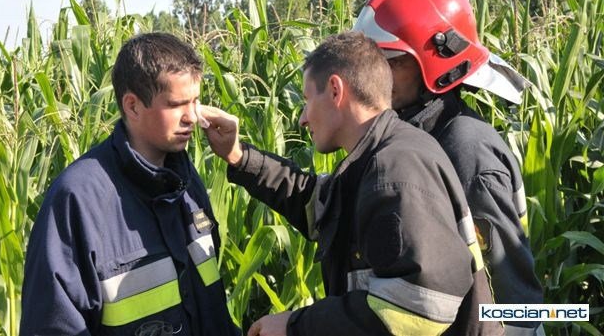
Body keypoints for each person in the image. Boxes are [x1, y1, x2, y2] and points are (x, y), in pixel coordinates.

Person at [200, 31, 501, 336]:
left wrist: (296, 326)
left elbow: (418, 308)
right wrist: (239, 156)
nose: (302, 119)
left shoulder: (395, 171)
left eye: (306, 100)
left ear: (335, 90)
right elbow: (316, 202)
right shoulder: (381, 156)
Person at [353, 0, 545, 335]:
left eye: (391, 62)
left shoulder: (467, 155)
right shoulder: (410, 141)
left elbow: (512, 301)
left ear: (438, 63)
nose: (373, 78)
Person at [20, 33, 240, 336]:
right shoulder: (77, 200)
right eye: (176, 104)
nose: (192, 117)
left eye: (195, 101)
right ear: (133, 106)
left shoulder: (186, 181)